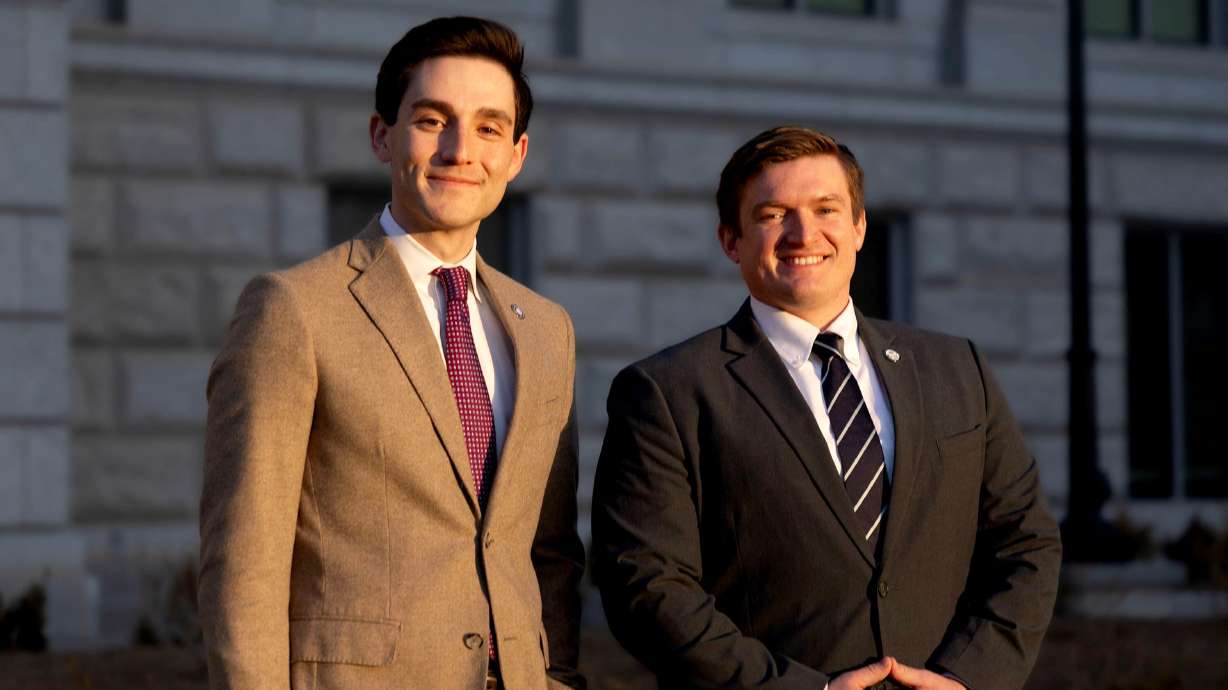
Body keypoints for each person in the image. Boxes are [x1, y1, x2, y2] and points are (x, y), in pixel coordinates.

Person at [591, 126, 1061, 690]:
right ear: (731, 240)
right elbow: (645, 585)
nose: (802, 233)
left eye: (826, 209)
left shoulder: (958, 369)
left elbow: (1025, 543)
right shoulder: (667, 392)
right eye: (772, 214)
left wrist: (967, 679)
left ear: (859, 227)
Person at [199, 17, 585, 690]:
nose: (461, 150)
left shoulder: (547, 330)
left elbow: (548, 552)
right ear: (383, 136)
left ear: (517, 154)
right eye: (433, 120)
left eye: (489, 128)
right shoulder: (293, 310)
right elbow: (244, 565)